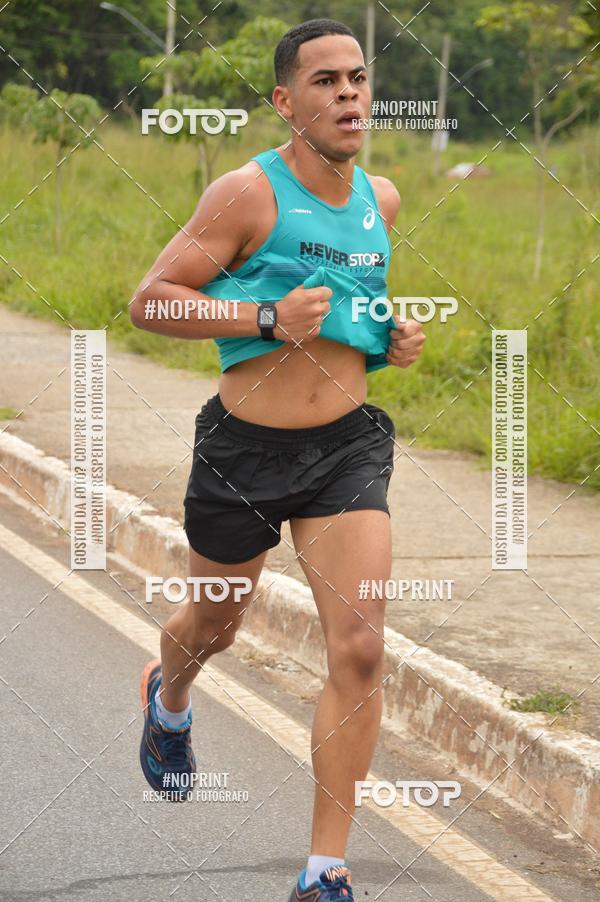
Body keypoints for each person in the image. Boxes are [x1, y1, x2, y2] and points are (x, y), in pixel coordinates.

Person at [131, 18, 426, 901]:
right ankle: (168, 700)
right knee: (213, 626)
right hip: (243, 452)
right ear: (285, 101)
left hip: (345, 449)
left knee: (362, 649)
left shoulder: (384, 197)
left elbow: (350, 306)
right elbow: (152, 303)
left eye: (358, 78)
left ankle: (322, 872)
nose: (347, 94)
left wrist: (388, 335)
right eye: (326, 80)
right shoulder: (243, 194)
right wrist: (260, 320)